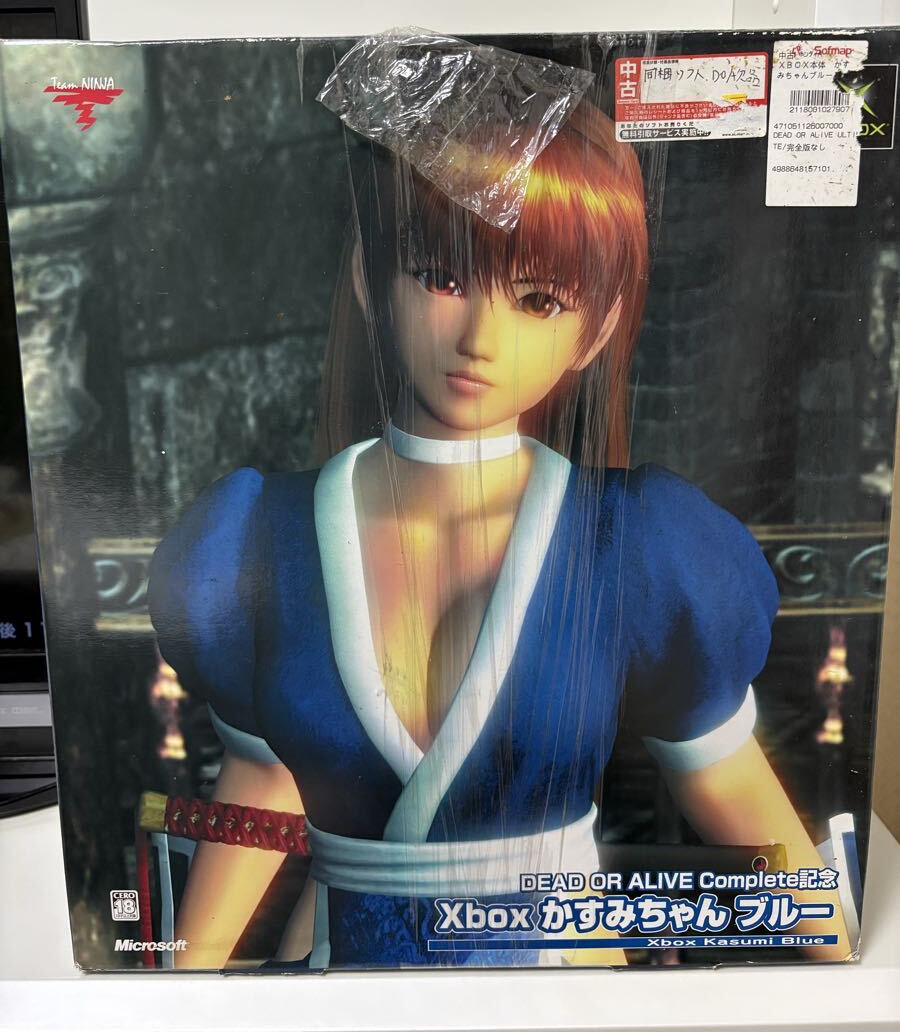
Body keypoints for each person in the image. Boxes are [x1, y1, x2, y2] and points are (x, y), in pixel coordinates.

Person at [148, 86, 850, 969]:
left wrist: (850, 967)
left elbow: (725, 773)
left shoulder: (635, 545)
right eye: (442, 278)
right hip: (343, 986)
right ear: (370, 277)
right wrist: (175, 986)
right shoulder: (259, 537)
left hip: (561, 988)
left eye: (539, 299)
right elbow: (263, 778)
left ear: (595, 329)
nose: (481, 335)